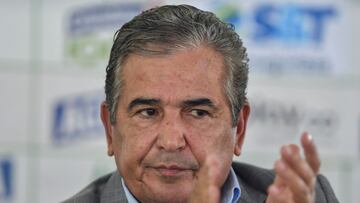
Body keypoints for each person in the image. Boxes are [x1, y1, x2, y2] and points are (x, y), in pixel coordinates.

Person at [63, 4, 339, 203]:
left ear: (239, 128)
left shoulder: (306, 198)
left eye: (198, 113)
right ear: (110, 130)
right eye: (148, 112)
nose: (171, 142)